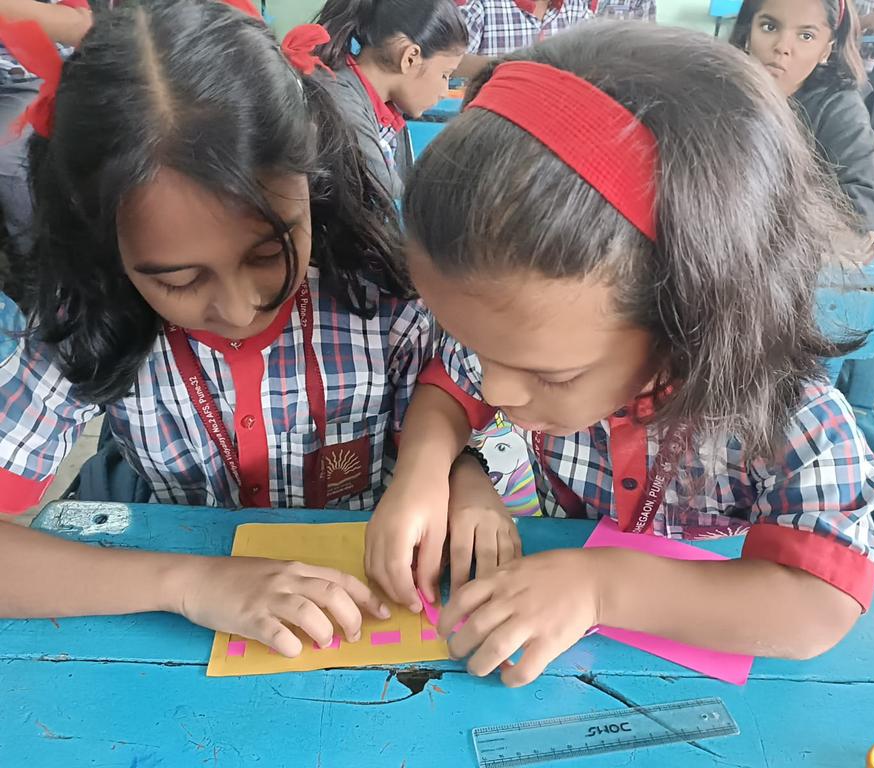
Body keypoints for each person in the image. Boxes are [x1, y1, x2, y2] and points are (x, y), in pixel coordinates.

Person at [364, 23, 874, 687]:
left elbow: (819, 607)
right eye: (478, 347)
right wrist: (426, 476)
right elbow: (448, 390)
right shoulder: (535, 342)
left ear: (691, 315)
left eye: (551, 375)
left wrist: (600, 588)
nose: (496, 392)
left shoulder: (790, 419)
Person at [0, 0, 495, 656]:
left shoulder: (382, 289)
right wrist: (187, 582)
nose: (238, 308)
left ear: (311, 178)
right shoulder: (86, 320)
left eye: (269, 253)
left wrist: (455, 474)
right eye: (177, 280)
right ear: (104, 242)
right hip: (169, 621)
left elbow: (456, 392)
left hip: (369, 589)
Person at [732, 0, 874, 237]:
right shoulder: (718, 91)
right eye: (768, 27)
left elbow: (867, 203)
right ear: (748, 34)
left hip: (793, 254)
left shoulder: (836, 106)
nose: (782, 47)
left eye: (806, 36)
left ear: (825, 51)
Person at [314, 0, 467, 199]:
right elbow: (391, 199)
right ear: (410, 58)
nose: (444, 91)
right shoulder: (343, 107)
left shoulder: (384, 108)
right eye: (445, 75)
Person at [0, 0, 92, 306]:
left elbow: (82, 25)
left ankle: (47, 274)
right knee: (14, 163)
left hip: (41, 74)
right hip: (11, 88)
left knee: (13, 160)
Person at [456, 0, 592, 78]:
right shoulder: (483, 5)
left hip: (556, 109)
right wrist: (512, 66)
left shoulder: (576, 7)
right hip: (497, 112)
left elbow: (593, 59)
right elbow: (453, 62)